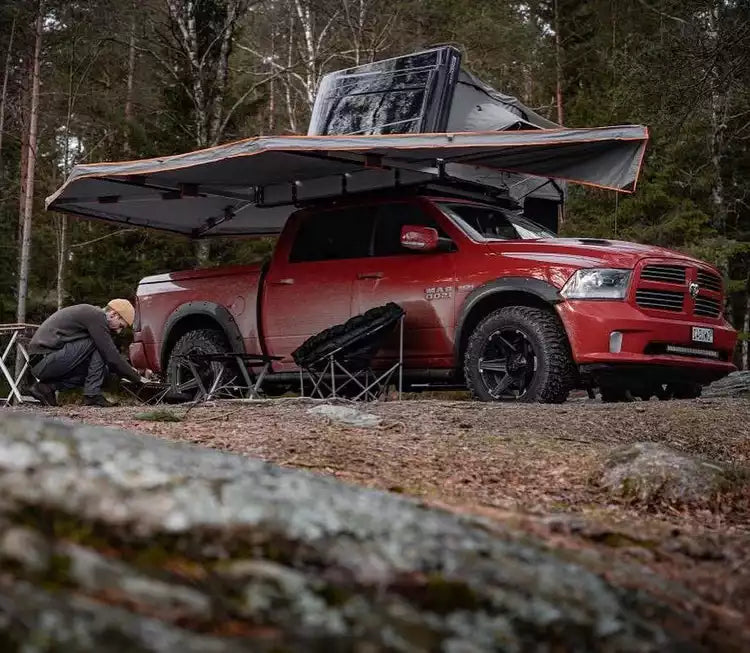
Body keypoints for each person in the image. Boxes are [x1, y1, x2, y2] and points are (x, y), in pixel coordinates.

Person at [27, 299, 147, 407]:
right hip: (44, 358)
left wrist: (129, 370)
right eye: (121, 325)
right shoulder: (96, 316)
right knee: (99, 344)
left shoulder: (93, 317)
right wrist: (137, 378)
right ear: (114, 314)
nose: (119, 331)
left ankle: (45, 388)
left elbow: (107, 360)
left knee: (102, 371)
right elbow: (111, 356)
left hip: (44, 361)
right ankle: (92, 394)